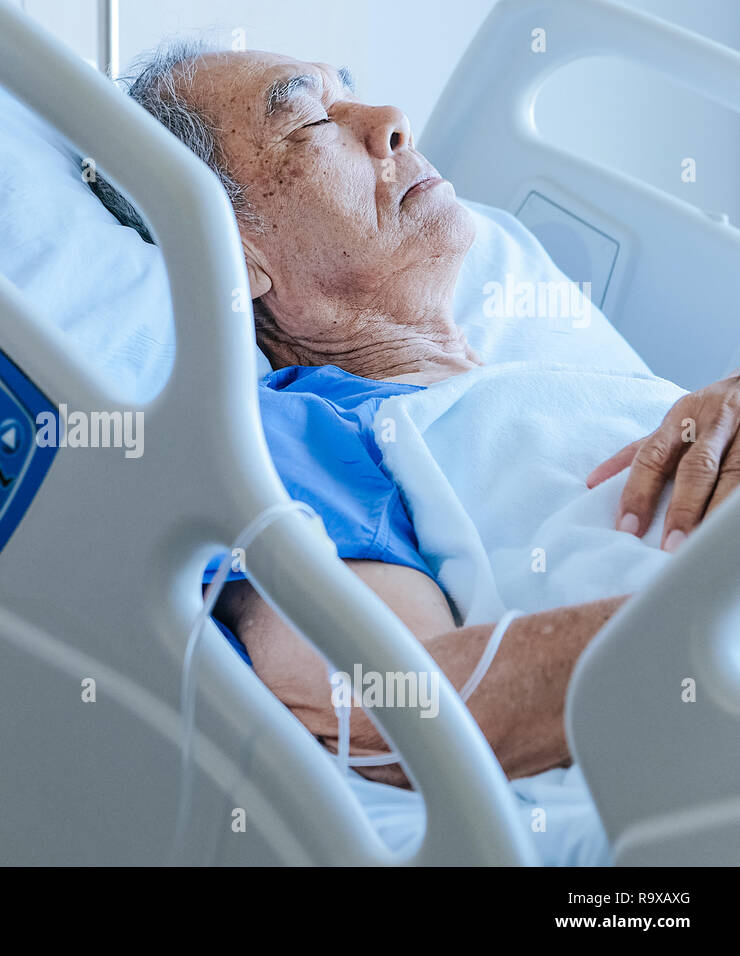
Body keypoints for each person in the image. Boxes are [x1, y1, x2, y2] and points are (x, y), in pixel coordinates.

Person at [91, 42, 740, 786]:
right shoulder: (303, 433)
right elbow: (384, 706)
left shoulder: (567, 377)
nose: (393, 120)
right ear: (236, 257)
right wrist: (705, 628)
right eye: (310, 120)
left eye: (354, 92)